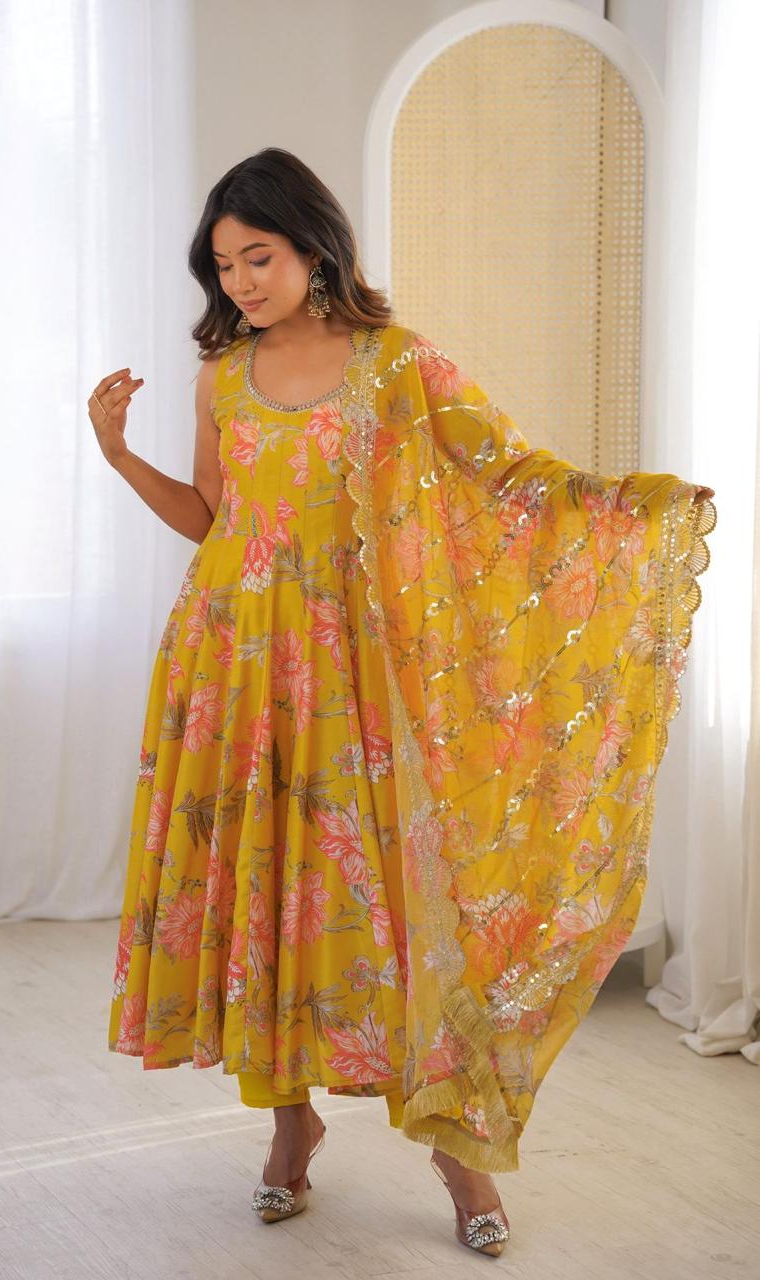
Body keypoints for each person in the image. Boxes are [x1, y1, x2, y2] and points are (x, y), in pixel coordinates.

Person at [89, 147, 715, 1258]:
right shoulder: (221, 375)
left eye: (258, 256)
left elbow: (504, 475)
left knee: (388, 899)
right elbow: (213, 517)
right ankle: (289, 1127)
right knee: (267, 890)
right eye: (223, 264)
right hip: (232, 659)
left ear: (313, 245)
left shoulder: (394, 363)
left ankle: (455, 1145)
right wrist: (116, 455)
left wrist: (625, 504)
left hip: (357, 668)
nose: (240, 281)